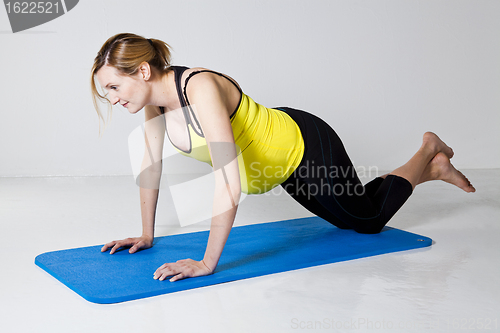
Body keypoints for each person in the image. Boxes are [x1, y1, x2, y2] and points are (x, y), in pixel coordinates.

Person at [90, 33, 475, 283]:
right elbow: (151, 167)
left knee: (368, 223)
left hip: (304, 146)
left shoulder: (199, 87)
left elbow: (229, 181)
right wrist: (146, 233)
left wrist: (207, 262)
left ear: (141, 70)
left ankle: (427, 152)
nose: (112, 97)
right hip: (274, 168)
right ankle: (433, 169)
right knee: (351, 215)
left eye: (113, 86)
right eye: (106, 91)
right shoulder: (153, 104)